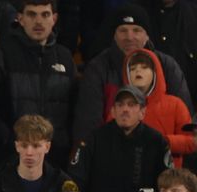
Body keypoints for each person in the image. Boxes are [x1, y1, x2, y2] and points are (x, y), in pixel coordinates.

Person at [72, 4, 192, 149]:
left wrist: (160, 144)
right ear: (114, 36)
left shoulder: (167, 66)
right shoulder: (98, 69)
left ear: (147, 35)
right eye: (123, 31)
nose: (129, 37)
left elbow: (188, 131)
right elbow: (87, 126)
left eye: (136, 30)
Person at [69, 85, 172, 192]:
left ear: (142, 112)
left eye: (131, 105)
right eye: (120, 104)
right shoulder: (94, 139)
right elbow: (77, 181)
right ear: (112, 111)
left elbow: (168, 183)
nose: (125, 109)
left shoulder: (156, 142)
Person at [0, 0, 76, 167]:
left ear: (54, 19)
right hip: (13, 155)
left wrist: (63, 142)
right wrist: (9, 139)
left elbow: (73, 107)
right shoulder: (2, 54)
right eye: (32, 14)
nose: (39, 21)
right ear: (20, 19)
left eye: (45, 14)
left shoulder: (65, 57)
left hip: (56, 156)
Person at [119, 48, 195, 167]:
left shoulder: (176, 104)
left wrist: (163, 142)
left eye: (144, 67)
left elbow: (192, 141)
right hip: (128, 174)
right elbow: (110, 140)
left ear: (155, 73)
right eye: (132, 69)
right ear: (126, 75)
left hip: (167, 178)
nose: (138, 71)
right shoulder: (119, 106)